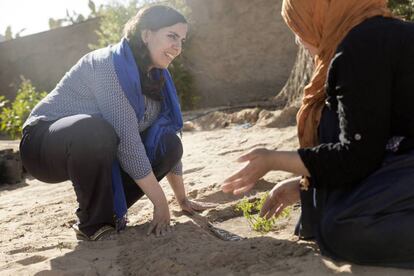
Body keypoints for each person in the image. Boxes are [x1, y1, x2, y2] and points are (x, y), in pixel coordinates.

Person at [222, 0, 414, 268]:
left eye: (297, 27)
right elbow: (372, 136)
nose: (299, 41)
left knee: (342, 229)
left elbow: (358, 155)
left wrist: (272, 160)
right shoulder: (375, 36)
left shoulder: (361, 47)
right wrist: (308, 189)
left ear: (318, 15)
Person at [20, 5, 214, 241]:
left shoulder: (157, 77)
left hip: (95, 145)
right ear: (146, 34)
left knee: (169, 144)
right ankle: (92, 224)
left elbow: (162, 134)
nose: (178, 46)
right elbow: (128, 143)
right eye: (171, 36)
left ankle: (107, 211)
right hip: (42, 146)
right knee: (96, 131)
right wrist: (160, 202)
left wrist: (181, 199)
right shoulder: (107, 65)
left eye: (182, 39)